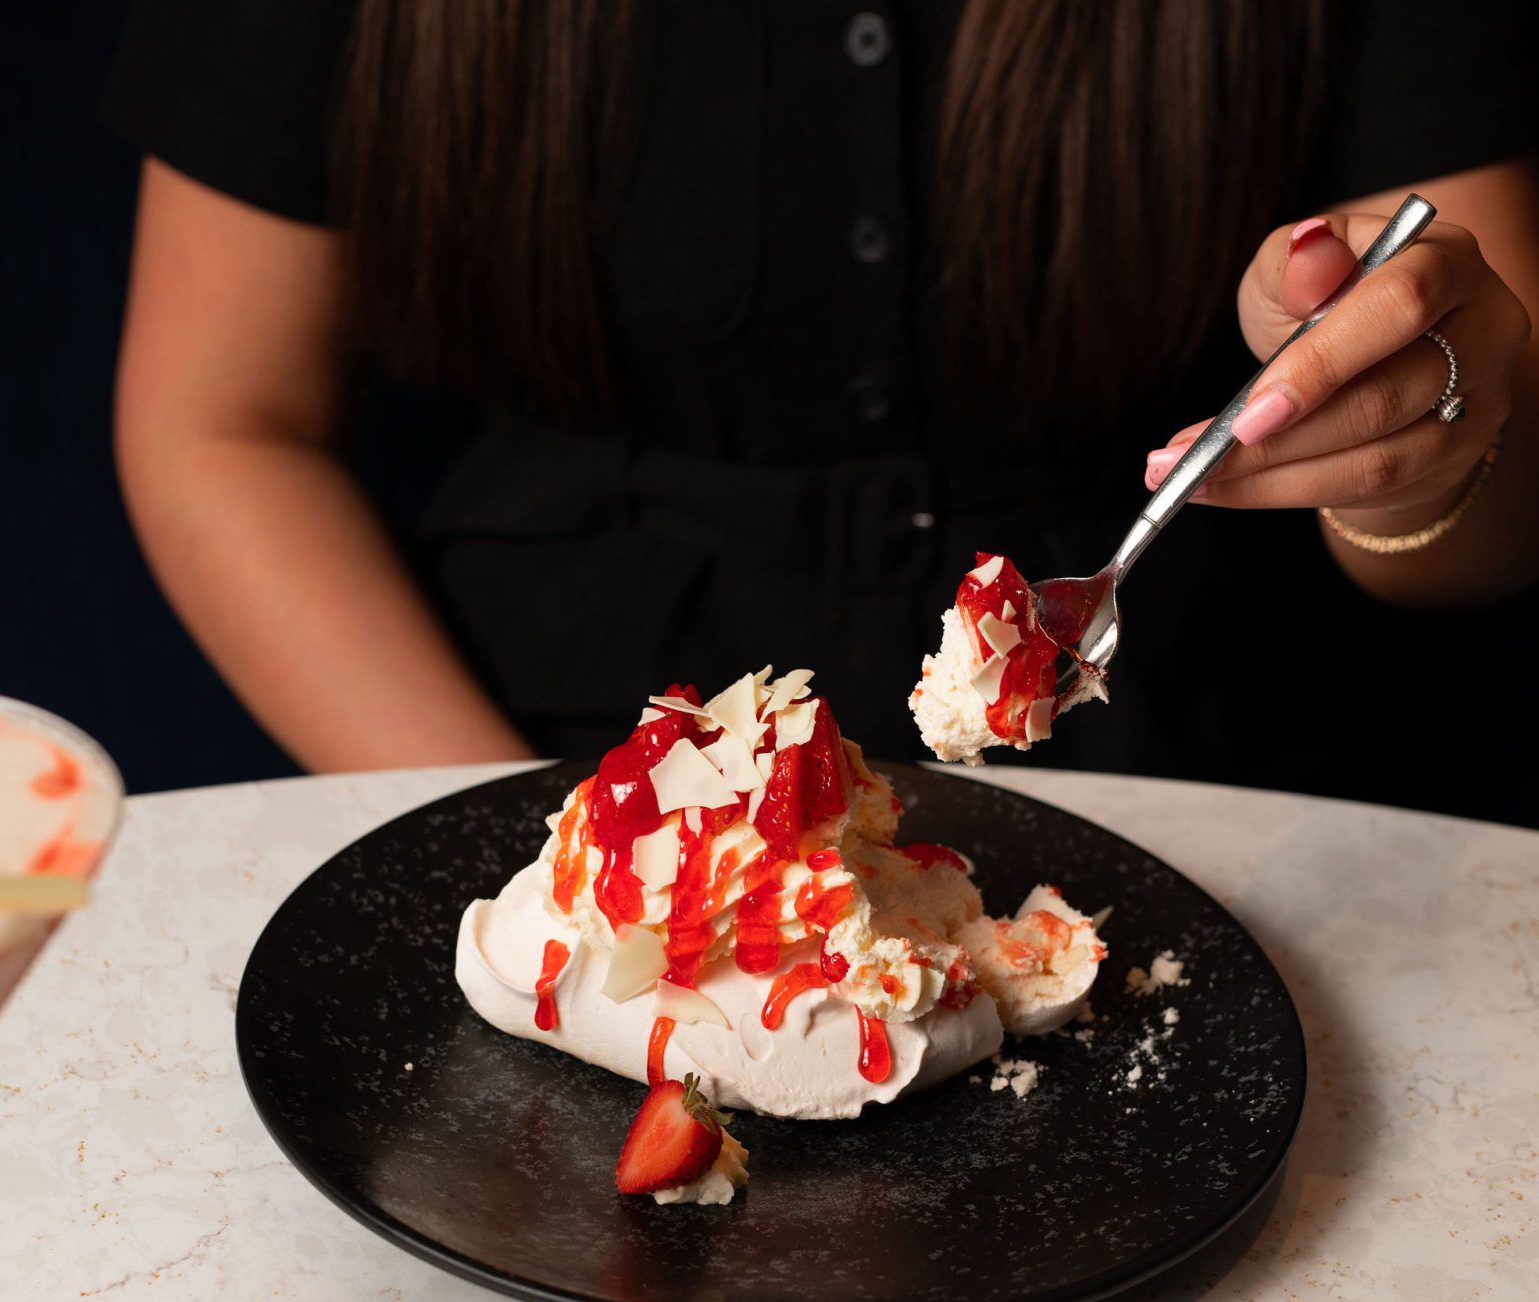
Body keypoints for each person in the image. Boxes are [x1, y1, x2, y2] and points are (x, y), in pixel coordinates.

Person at [105, 1, 1539, 822]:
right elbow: (219, 426)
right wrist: (530, 836)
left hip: (1209, 776)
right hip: (523, 749)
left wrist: (1417, 457)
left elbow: (1505, 502)